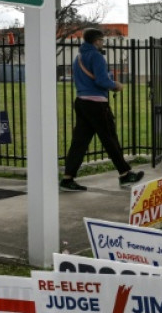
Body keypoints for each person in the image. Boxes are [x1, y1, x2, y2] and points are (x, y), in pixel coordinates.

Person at [60, 29, 145, 192]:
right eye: (102, 40)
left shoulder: (78, 58)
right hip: (97, 104)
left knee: (79, 142)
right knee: (110, 138)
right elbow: (101, 80)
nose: (103, 43)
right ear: (96, 41)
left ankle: (67, 178)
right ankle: (125, 174)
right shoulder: (96, 56)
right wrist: (115, 85)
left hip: (81, 102)